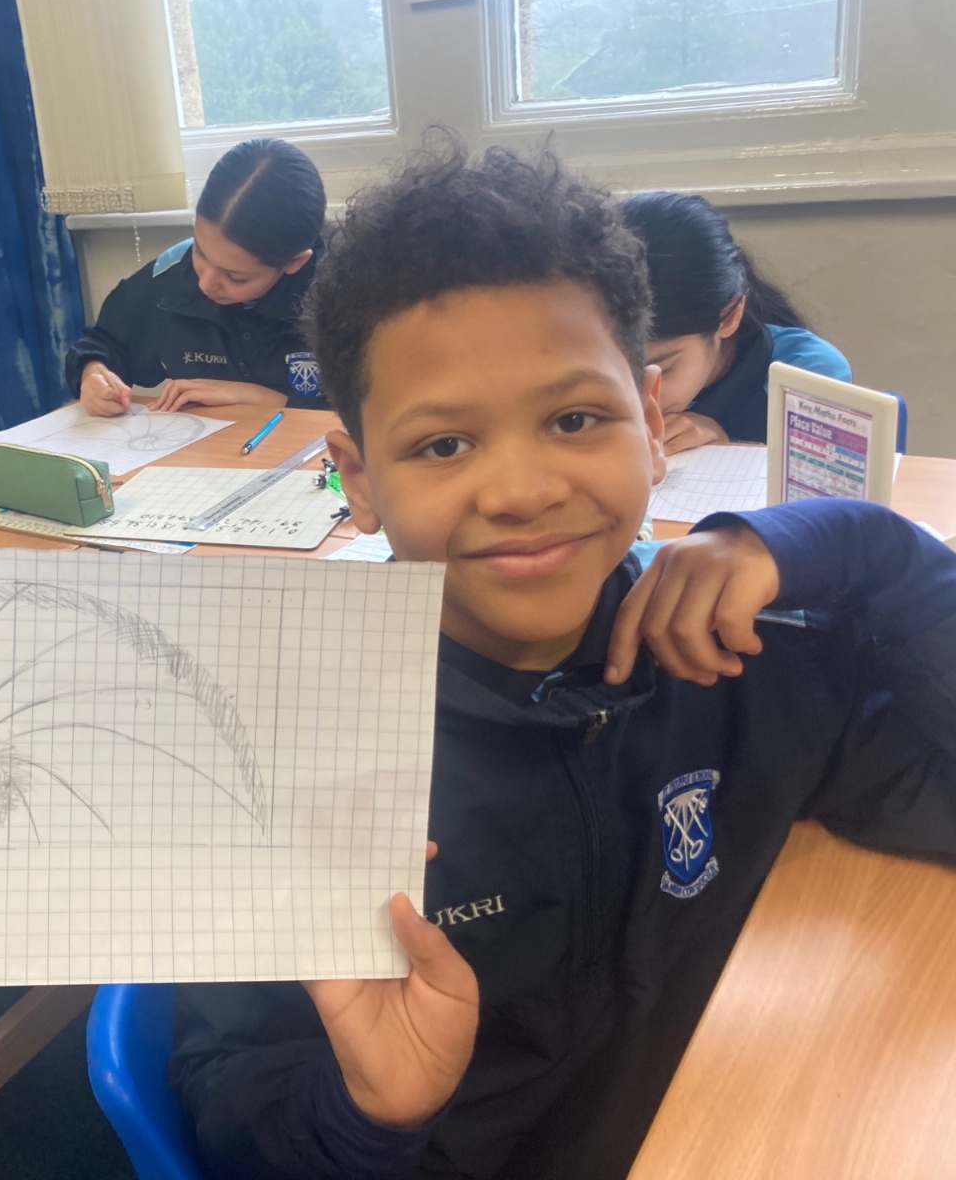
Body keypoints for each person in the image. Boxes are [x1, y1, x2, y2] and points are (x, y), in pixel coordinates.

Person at [170, 136, 956, 1180]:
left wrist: (866, 546)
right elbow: (233, 1104)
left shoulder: (739, 657)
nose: (524, 491)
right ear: (356, 479)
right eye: (444, 445)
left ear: (653, 421)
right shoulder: (285, 761)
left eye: (575, 419)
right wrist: (365, 1118)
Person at [68, 137, 329, 416]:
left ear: (294, 262)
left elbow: (357, 415)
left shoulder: (342, 294)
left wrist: (254, 397)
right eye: (201, 253)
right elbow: (104, 343)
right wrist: (93, 372)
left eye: (236, 278)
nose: (205, 283)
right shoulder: (172, 273)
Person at [622, 191, 852, 453]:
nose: (639, 397)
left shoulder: (806, 373)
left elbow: (818, 472)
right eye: (620, 369)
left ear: (729, 317)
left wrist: (729, 444)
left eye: (664, 369)